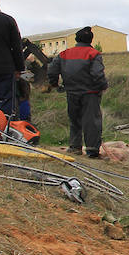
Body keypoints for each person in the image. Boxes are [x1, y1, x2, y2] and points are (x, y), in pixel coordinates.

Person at [49, 26, 108, 157]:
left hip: (71, 92)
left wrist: (55, 84)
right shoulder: (93, 54)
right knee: (91, 121)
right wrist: (103, 86)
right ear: (91, 40)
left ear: (76, 39)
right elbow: (97, 74)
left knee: (74, 120)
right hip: (90, 93)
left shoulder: (64, 54)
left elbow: (52, 70)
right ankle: (92, 149)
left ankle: (75, 147)